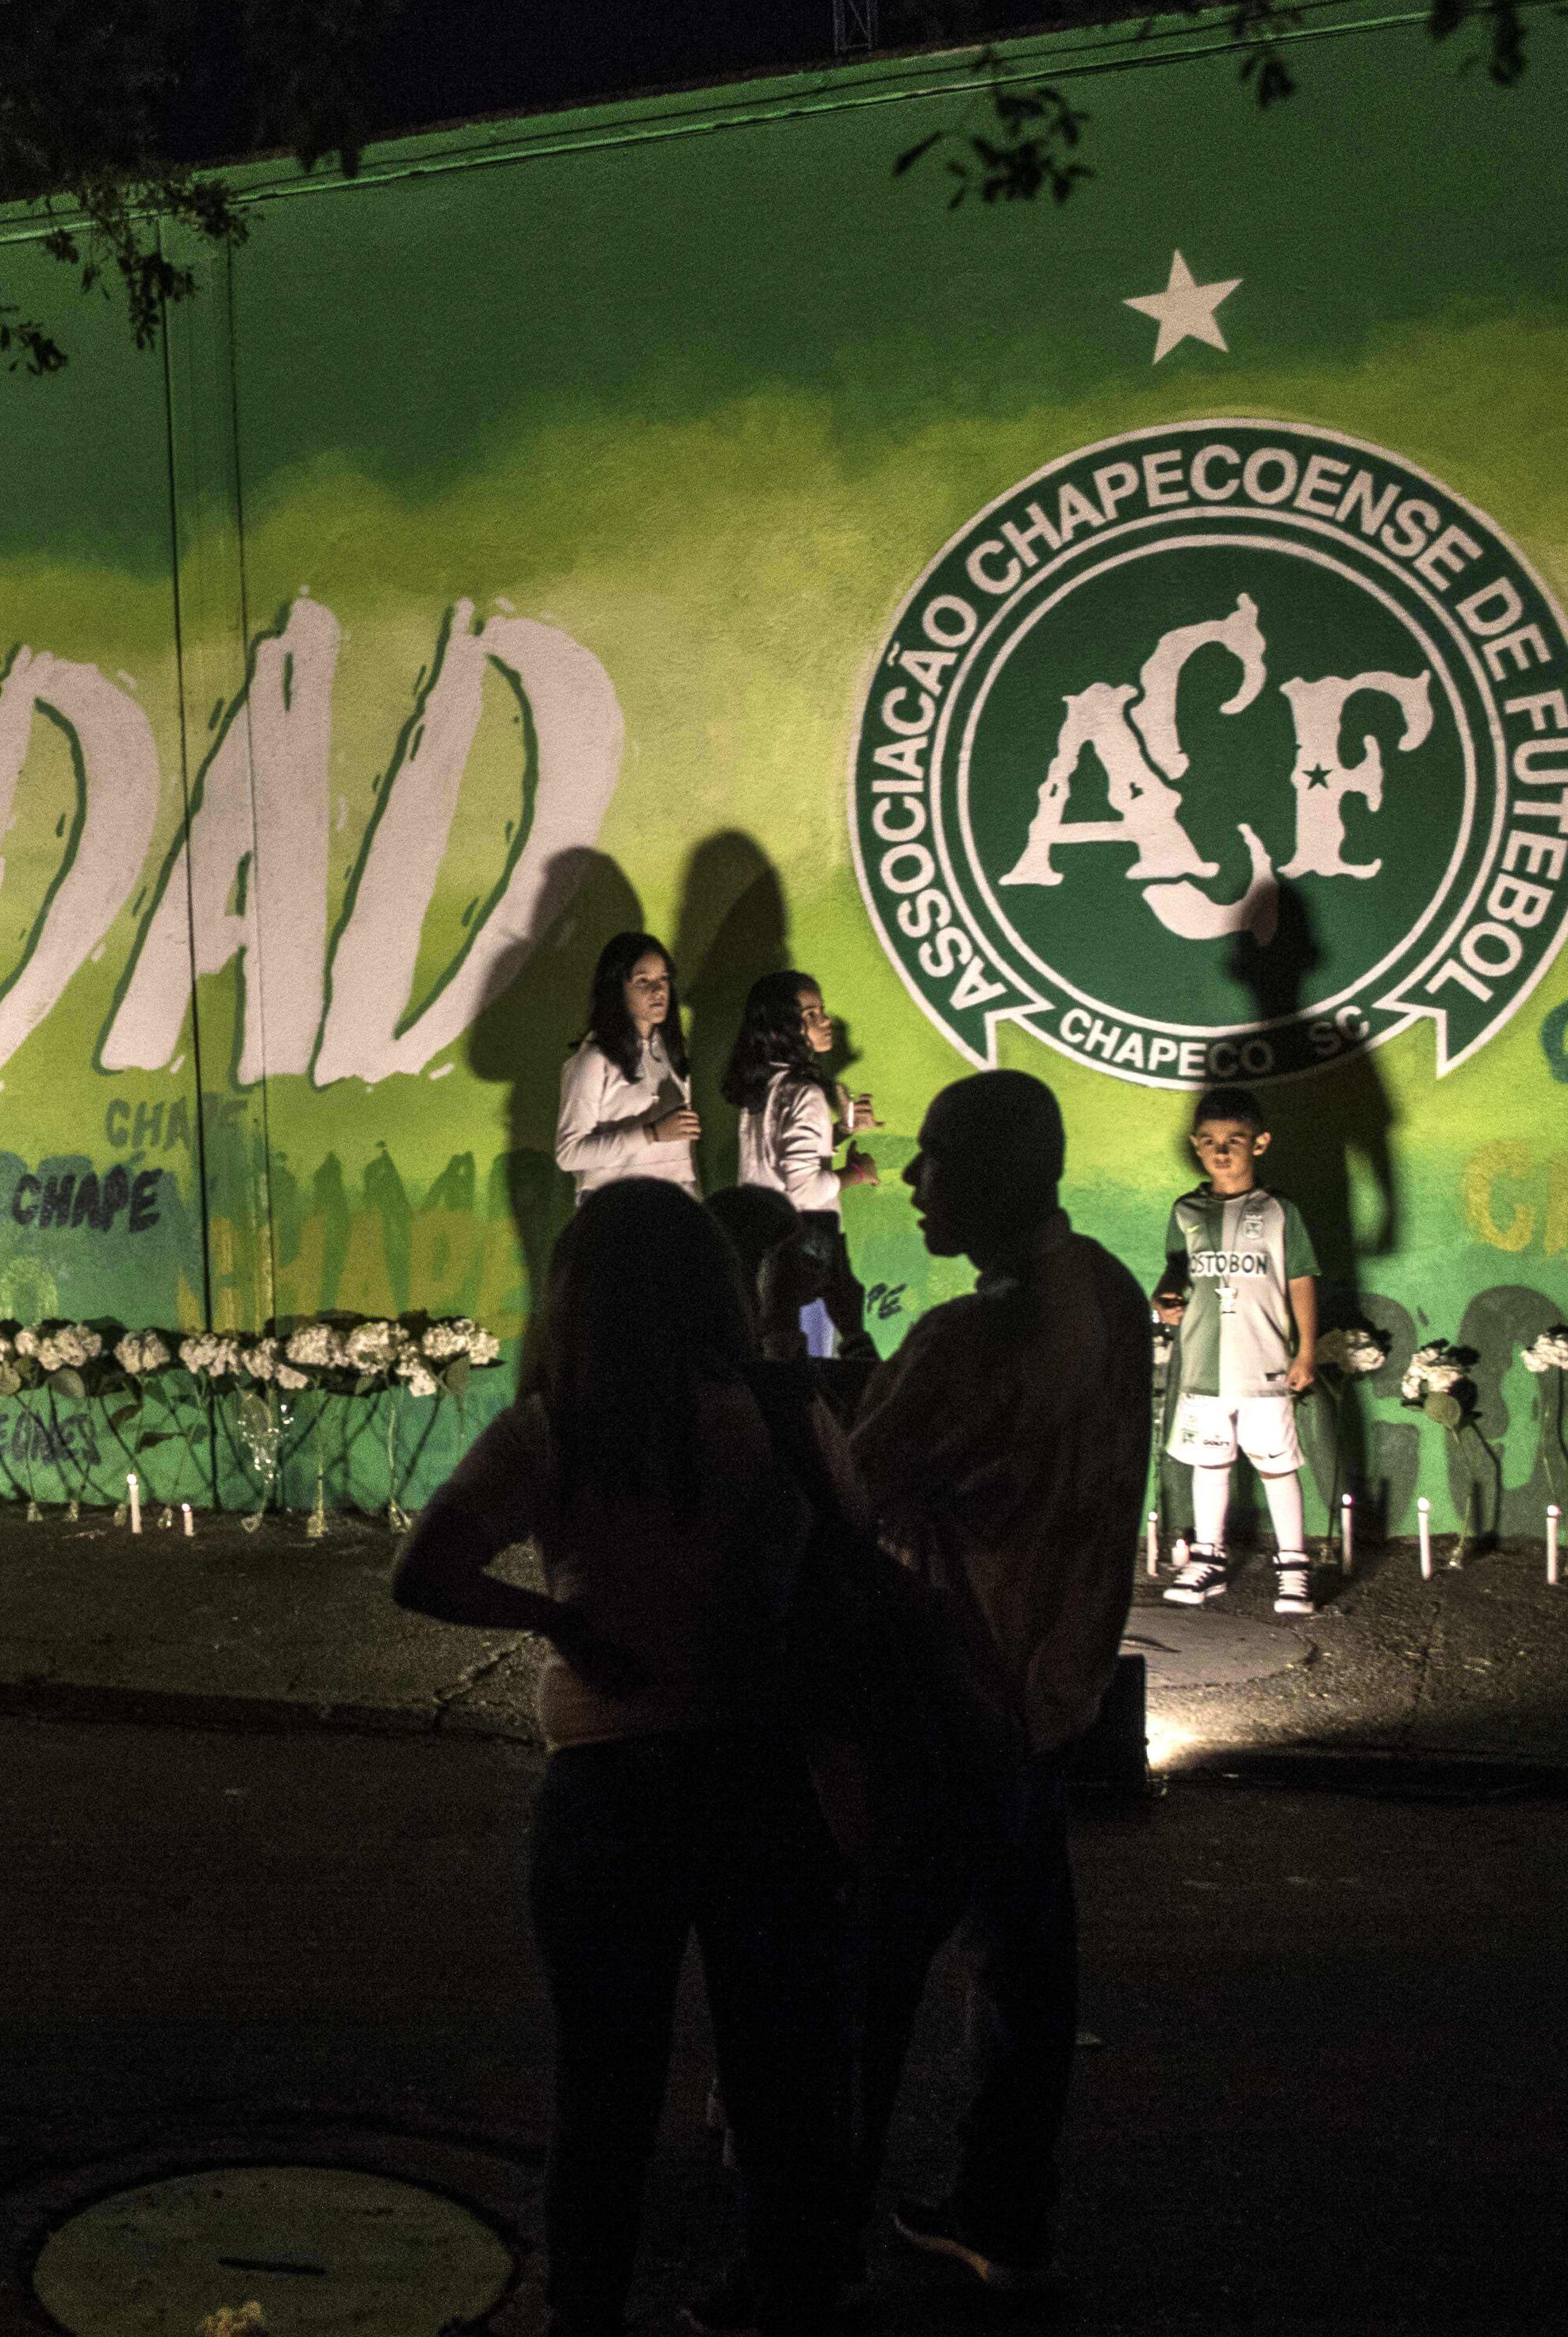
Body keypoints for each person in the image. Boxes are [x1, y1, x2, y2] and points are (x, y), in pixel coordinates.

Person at [392, 1180, 852, 2337]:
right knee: (775, 2076)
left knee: (604, 2090)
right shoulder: (773, 1409)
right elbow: (853, 1544)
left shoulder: (556, 1426)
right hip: (760, 1773)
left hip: (606, 1789)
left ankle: (583, 2311)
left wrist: (558, 1622)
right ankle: (783, 2295)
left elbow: (425, 1572)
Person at [842, 1069, 1152, 2295]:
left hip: (947, 1697)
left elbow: (849, 1490)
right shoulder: (1113, 1296)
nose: (912, 1181)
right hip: (1051, 1697)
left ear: (992, 1175)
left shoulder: (970, 1340)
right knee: (1026, 1973)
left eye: (932, 1160)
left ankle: (809, 2243)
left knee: (866, 1979)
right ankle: (1001, 2211)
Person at [1154, 1086, 1323, 1617]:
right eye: (1209, 1141)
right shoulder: (1186, 1209)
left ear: (1260, 1143)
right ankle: (1208, 1560)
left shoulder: (1278, 1210)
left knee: (1276, 1466)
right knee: (1211, 1462)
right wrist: (1166, 1299)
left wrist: (1307, 1350)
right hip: (1204, 1366)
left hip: (1264, 1363)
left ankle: (1294, 1569)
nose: (1221, 1150)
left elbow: (1300, 1279)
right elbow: (1175, 1270)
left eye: (1234, 1139)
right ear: (1195, 1146)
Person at [723, 972, 880, 1357]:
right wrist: (857, 1174)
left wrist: (842, 1130)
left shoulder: (765, 1089)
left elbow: (783, 1159)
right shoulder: (805, 1093)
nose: (825, 1021)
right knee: (815, 1348)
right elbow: (805, 1187)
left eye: (821, 1011)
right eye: (811, 1015)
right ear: (783, 1026)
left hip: (764, 1238)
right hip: (805, 1235)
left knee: (775, 1347)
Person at [554, 931, 707, 1197]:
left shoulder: (673, 1051)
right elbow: (569, 1154)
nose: (658, 990)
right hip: (617, 1206)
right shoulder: (594, 1059)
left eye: (663, 979)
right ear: (617, 989)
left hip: (676, 1204)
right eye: (642, 981)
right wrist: (652, 1133)